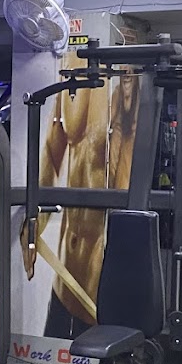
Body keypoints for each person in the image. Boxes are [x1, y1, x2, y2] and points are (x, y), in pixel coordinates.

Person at [20, 60, 142, 340]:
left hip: (95, 293)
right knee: (47, 360)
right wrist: (34, 221)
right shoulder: (71, 69)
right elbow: (52, 150)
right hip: (63, 283)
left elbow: (125, 195)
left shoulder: (126, 97)